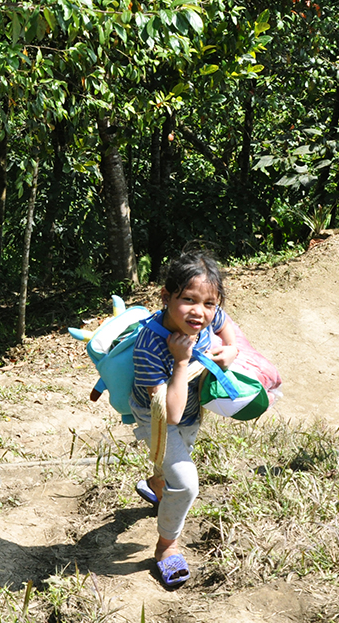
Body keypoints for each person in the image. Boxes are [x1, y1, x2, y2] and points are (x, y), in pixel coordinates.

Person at [128, 249, 238, 587]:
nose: (199, 312)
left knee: (175, 464)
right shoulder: (149, 347)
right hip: (156, 416)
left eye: (208, 303)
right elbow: (170, 415)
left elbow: (225, 326)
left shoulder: (209, 315)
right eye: (188, 300)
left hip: (191, 411)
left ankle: (157, 485)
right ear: (165, 296)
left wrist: (230, 350)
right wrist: (180, 361)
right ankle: (166, 546)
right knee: (187, 483)